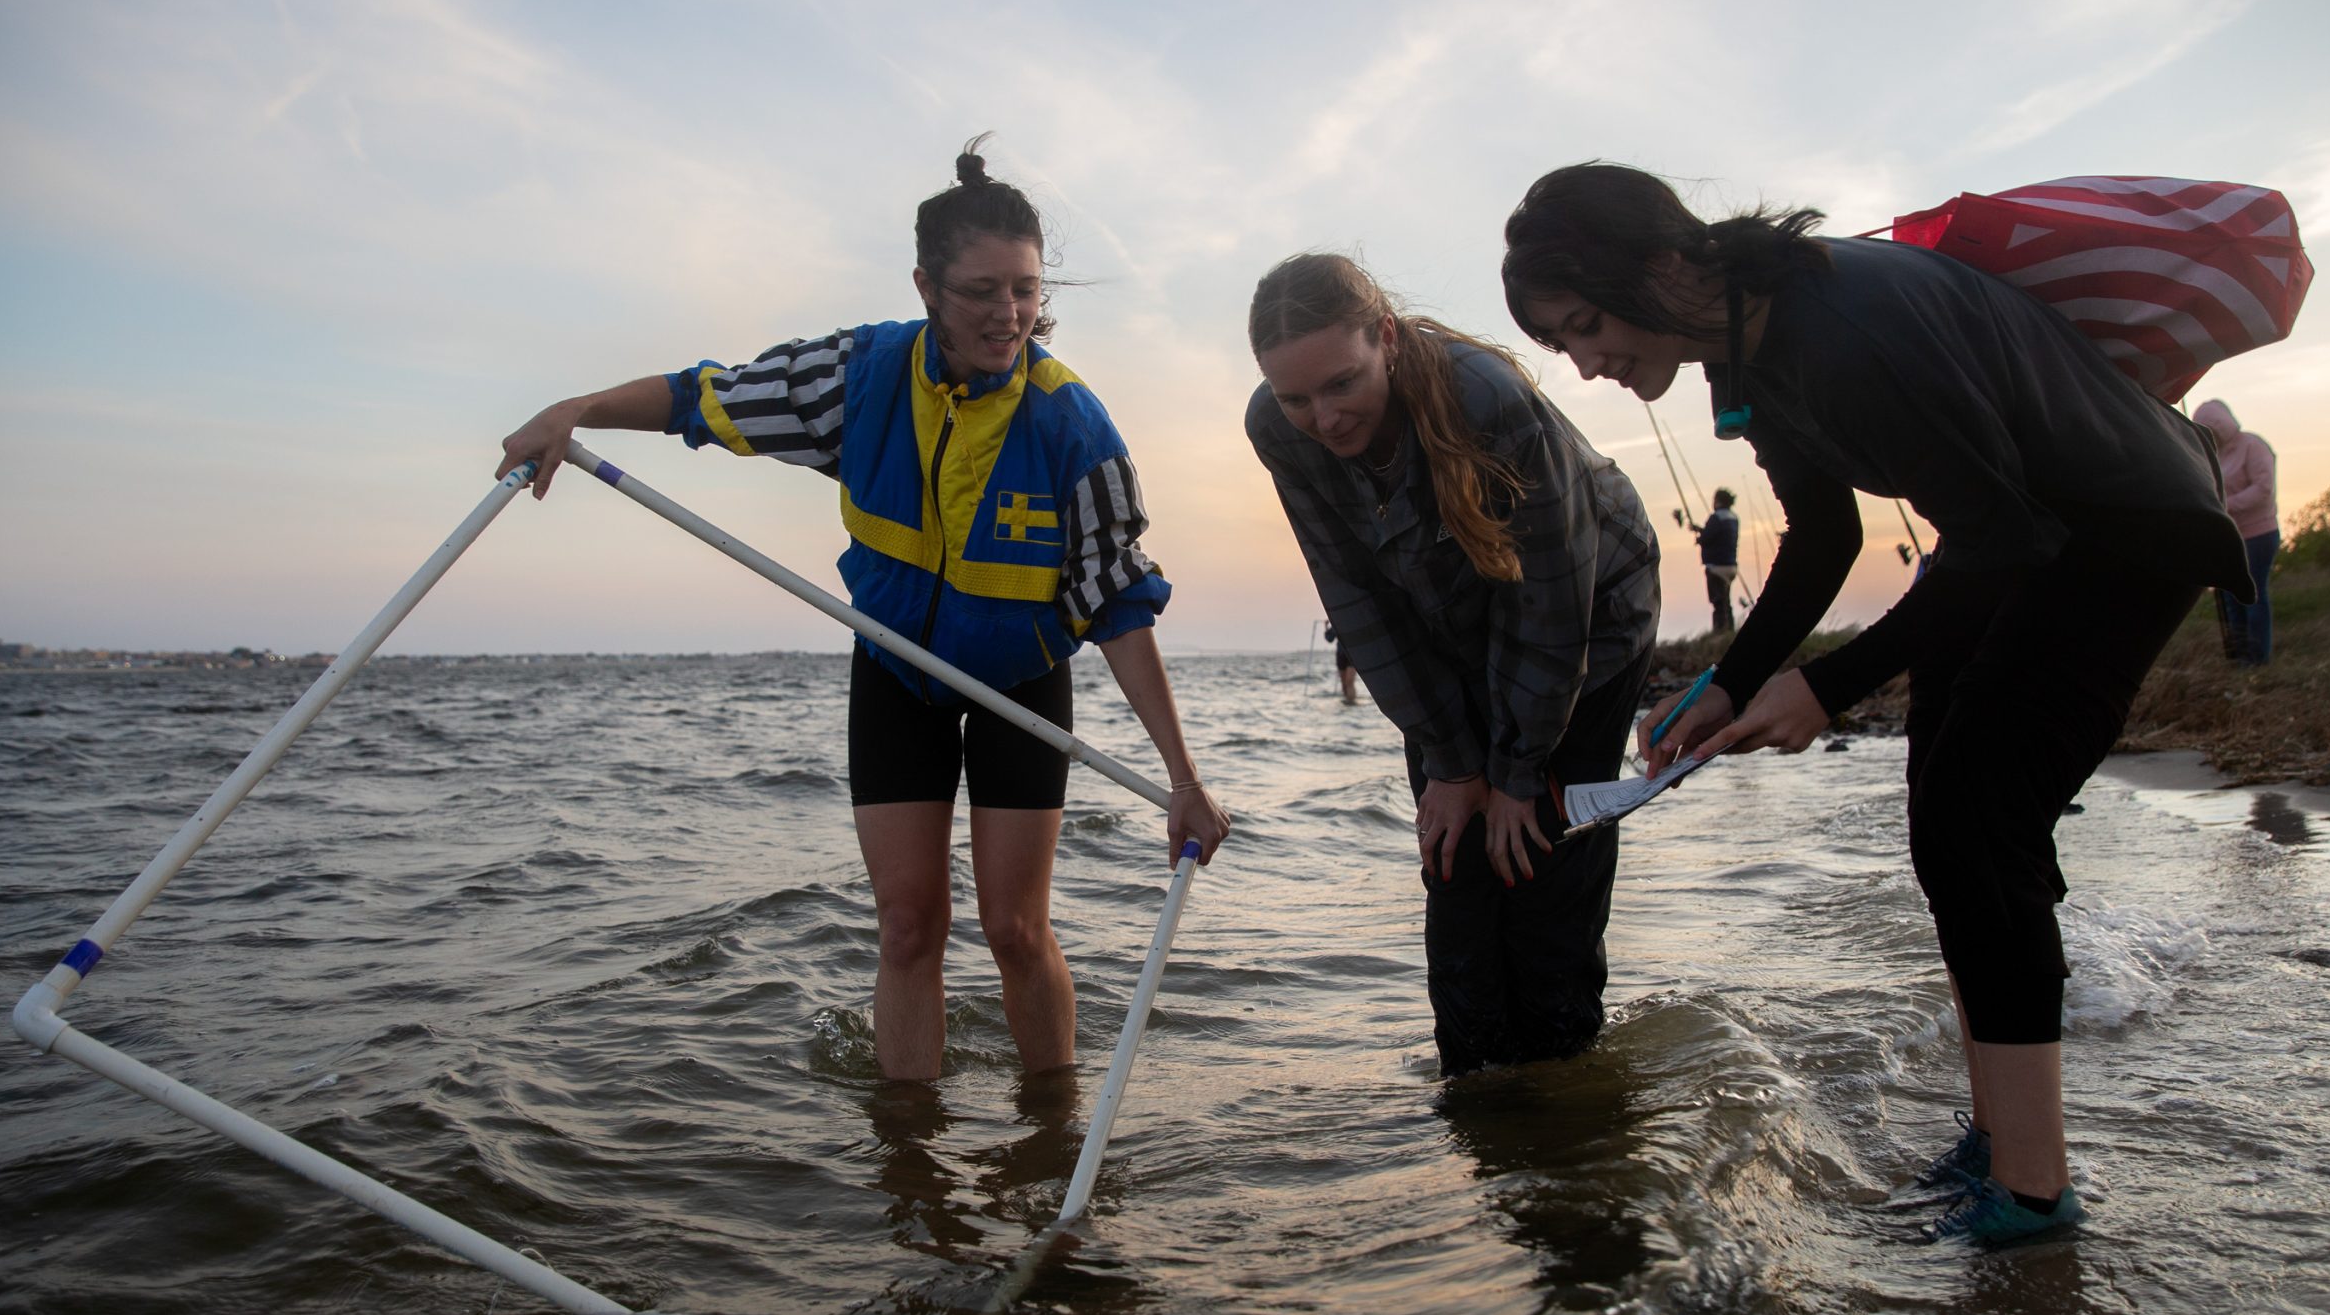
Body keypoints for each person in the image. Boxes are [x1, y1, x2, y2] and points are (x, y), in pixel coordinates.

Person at [1501, 163, 2253, 1244]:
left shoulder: (1844, 329)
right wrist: (1734, 679)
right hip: (2019, 538)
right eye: (1561, 345)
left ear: (1663, 267)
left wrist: (1829, 686)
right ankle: (1997, 1140)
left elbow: (2004, 541)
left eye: (1583, 326)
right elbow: (1826, 536)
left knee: (1976, 819)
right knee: (1945, 821)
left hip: (2121, 537)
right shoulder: (1736, 349)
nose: (1585, 362)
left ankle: (2033, 1193)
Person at [497, 139, 1230, 1083]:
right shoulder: (858, 376)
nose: (1009, 316)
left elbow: (1121, 609)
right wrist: (578, 407)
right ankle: (908, 1158)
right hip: (892, 673)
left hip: (1021, 682)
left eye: (1027, 290)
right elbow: (702, 399)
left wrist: (1182, 775)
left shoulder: (1073, 427)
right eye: (981, 291)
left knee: (1013, 928)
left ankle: (1051, 1125)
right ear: (925, 285)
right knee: (908, 924)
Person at [1246, 253, 1661, 1076]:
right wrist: (1452, 759)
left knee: (1538, 865)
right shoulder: (1276, 430)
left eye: (1341, 384)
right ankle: (1480, 1122)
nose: (1322, 419)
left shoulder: (1487, 401)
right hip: (1441, 633)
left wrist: (1514, 770)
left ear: (1386, 340)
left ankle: (1570, 1124)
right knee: (1457, 868)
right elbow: (1357, 596)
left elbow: (1548, 604)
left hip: (1589, 621)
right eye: (1297, 398)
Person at [2195, 399, 2279, 666]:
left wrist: (2226, 507)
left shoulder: (2253, 446)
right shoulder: (2211, 456)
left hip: (2259, 534)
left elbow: (2263, 488)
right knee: (2231, 598)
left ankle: (2258, 657)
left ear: (2222, 424)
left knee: (2252, 596)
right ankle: (2239, 655)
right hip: (2229, 537)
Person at [1696, 487, 1742, 632]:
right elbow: (1721, 535)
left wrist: (1700, 537)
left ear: (1719, 501)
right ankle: (1730, 631)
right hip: (1731, 566)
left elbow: (1706, 538)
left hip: (1716, 567)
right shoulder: (1734, 518)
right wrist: (1702, 531)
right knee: (1725, 602)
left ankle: (1720, 632)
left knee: (1718, 602)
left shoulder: (1715, 517)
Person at [1325, 619, 1360, 702]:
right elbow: (1330, 639)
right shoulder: (1336, 624)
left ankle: (1352, 703)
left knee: (1349, 681)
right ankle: (1347, 704)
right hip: (1341, 654)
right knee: (1344, 683)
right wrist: (1326, 627)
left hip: (1352, 654)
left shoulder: (1354, 623)